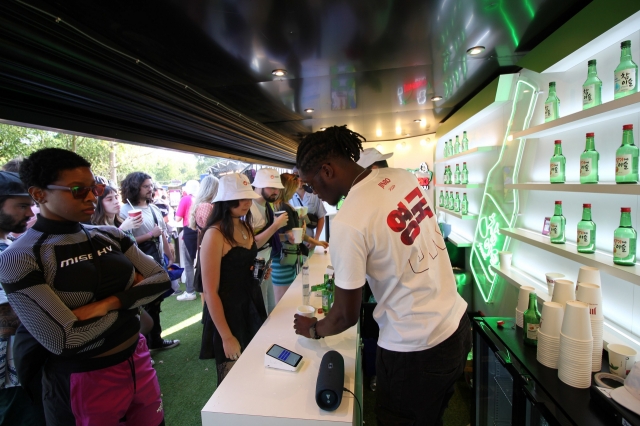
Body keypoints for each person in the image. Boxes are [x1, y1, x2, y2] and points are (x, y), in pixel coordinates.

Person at [293, 126, 470, 426]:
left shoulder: (348, 221)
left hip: (414, 350)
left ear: (327, 170)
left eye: (311, 185)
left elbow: (345, 315)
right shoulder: (403, 177)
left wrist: (313, 329)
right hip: (456, 329)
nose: (314, 194)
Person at [0, 148, 170, 425]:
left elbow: (160, 280)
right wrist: (132, 302)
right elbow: (64, 339)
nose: (93, 197)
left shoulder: (110, 234)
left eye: (96, 187)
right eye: (78, 190)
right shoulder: (20, 256)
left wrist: (108, 304)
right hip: (83, 377)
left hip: (137, 357)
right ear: (39, 194)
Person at [199, 173, 268, 385]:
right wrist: (226, 336)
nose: (248, 202)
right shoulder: (214, 234)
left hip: (252, 304)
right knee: (231, 381)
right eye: (241, 197)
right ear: (225, 200)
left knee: (255, 370)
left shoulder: (244, 225)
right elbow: (210, 291)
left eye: (249, 197)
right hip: (227, 313)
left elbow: (241, 267)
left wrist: (258, 273)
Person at [0, 171, 44, 425]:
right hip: (10, 377)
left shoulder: (8, 247)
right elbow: (13, 313)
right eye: (22, 205)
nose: (30, 213)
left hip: (22, 367)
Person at [120, 172, 180, 351]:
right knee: (144, 307)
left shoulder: (153, 208)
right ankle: (143, 347)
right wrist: (149, 235)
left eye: (151, 185)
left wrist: (169, 254)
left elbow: (162, 233)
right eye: (146, 186)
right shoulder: (125, 211)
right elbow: (123, 241)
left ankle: (155, 341)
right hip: (140, 266)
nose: (150, 189)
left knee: (156, 303)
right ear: (134, 187)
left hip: (157, 262)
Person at [271, 173, 328, 303]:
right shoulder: (284, 207)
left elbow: (298, 235)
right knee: (282, 301)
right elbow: (294, 237)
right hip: (284, 259)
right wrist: (302, 225)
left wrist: (317, 241)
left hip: (285, 258)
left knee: (285, 300)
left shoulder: (280, 205)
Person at [250, 168, 290, 313]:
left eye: (277, 188)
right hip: (252, 269)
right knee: (261, 312)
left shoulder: (267, 205)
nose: (276, 192)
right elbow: (251, 245)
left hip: (266, 264)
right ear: (259, 185)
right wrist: (276, 225)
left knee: (270, 309)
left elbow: (267, 238)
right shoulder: (248, 207)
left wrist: (286, 237)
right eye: (272, 187)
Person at [290, 166, 327, 256]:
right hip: (292, 243)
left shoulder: (313, 194)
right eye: (296, 176)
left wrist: (316, 239)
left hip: (310, 241)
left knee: (308, 267)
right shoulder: (289, 196)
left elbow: (321, 217)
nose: (300, 179)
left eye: (302, 176)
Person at [175, 180, 200, 301]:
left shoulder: (185, 199)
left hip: (189, 232)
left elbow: (178, 218)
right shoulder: (200, 198)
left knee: (188, 264)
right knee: (201, 262)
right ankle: (201, 288)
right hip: (200, 233)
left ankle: (190, 291)